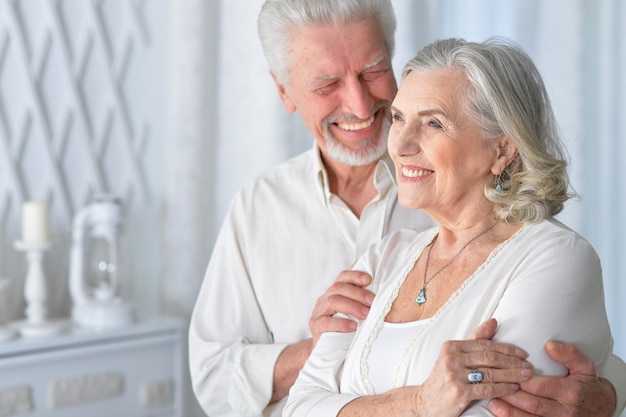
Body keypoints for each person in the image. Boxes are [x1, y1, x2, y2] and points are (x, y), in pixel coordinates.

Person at [188, 1, 626, 416]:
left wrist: (611, 394)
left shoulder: (467, 197)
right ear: (284, 91)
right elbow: (224, 380)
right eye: (327, 85)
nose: (361, 106)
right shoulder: (264, 209)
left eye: (374, 71)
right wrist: (322, 355)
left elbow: (555, 360)